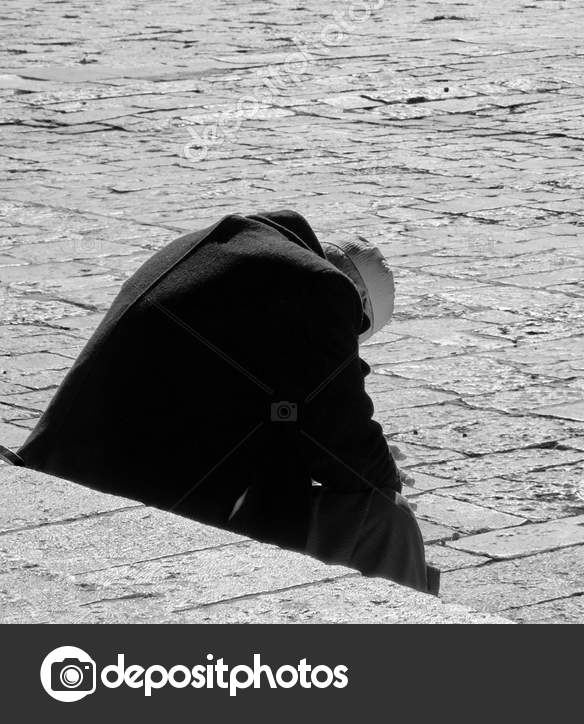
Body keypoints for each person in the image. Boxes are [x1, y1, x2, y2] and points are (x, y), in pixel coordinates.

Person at [6, 208, 438, 594]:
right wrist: (381, 468)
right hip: (124, 515)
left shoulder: (217, 250)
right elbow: (348, 455)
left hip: (63, 473)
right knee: (387, 523)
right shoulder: (322, 290)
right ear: (358, 305)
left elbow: (276, 407)